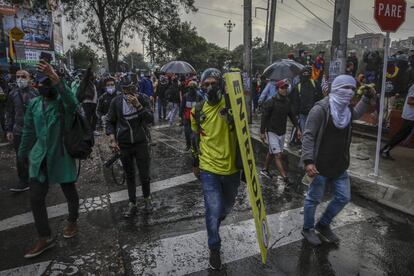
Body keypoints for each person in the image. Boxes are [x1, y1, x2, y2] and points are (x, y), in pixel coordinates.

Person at [301, 75, 374, 246]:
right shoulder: (320, 109)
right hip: (319, 165)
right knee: (313, 199)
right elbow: (308, 136)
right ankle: (307, 229)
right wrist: (308, 161)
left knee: (343, 197)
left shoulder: (346, 109)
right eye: (345, 88)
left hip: (340, 164)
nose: (349, 92)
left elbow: (356, 113)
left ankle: (323, 224)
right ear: (336, 88)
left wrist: (366, 97)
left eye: (352, 88)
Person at [19, 60, 80, 258]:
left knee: (69, 190)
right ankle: (44, 237)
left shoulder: (63, 103)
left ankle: (72, 220)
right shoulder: (35, 104)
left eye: (50, 82)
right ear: (38, 85)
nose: (48, 86)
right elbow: (28, 131)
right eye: (44, 82)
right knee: (36, 197)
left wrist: (54, 76)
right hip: (40, 157)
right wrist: (22, 154)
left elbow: (73, 102)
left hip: (61, 155)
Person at [191, 68, 240, 270]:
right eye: (206, 84)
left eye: (213, 83)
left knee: (225, 208)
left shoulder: (233, 106)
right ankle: (214, 248)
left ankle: (217, 222)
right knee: (212, 210)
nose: (209, 87)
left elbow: (244, 130)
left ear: (220, 84)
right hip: (208, 167)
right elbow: (195, 138)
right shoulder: (198, 109)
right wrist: (194, 162)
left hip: (232, 169)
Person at [106, 78, 154, 218]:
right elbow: (110, 121)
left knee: (144, 174)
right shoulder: (116, 102)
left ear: (136, 87)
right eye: (126, 89)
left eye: (132, 88)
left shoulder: (143, 98)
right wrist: (112, 139)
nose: (129, 92)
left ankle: (147, 200)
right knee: (129, 175)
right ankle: (132, 203)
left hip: (141, 142)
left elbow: (150, 119)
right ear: (122, 90)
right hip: (124, 143)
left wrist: (138, 106)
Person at [260, 79, 301, 184]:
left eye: (286, 87)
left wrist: (297, 128)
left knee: (272, 152)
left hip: (282, 132)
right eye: (282, 87)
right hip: (271, 131)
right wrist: (262, 132)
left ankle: (265, 169)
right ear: (277, 89)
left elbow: (292, 115)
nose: (284, 89)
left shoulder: (287, 102)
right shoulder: (270, 102)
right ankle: (285, 178)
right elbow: (264, 117)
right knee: (277, 155)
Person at [5, 70, 38, 192]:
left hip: (34, 131)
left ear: (29, 79)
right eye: (17, 76)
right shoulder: (12, 94)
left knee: (36, 155)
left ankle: (37, 177)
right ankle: (23, 181)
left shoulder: (36, 93)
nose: (20, 79)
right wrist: (9, 130)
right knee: (20, 156)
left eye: (23, 76)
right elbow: (10, 113)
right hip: (18, 131)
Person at [381, 83, 414, 160]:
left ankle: (385, 150)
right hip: (410, 116)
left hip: (411, 116)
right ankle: (385, 150)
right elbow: (410, 101)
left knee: (404, 135)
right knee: (401, 135)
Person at [289, 66, 323, 133]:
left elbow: (320, 96)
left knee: (312, 131)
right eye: (304, 73)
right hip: (302, 114)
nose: (306, 75)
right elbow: (295, 100)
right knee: (304, 132)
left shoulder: (314, 84)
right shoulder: (298, 86)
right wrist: (295, 113)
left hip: (313, 112)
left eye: (307, 73)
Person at [181, 80, 198, 151]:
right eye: (190, 88)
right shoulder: (185, 96)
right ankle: (188, 145)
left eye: (193, 88)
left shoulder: (199, 96)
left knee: (195, 134)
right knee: (187, 132)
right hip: (187, 118)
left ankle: (196, 146)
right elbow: (182, 106)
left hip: (196, 118)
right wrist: (181, 116)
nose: (191, 89)